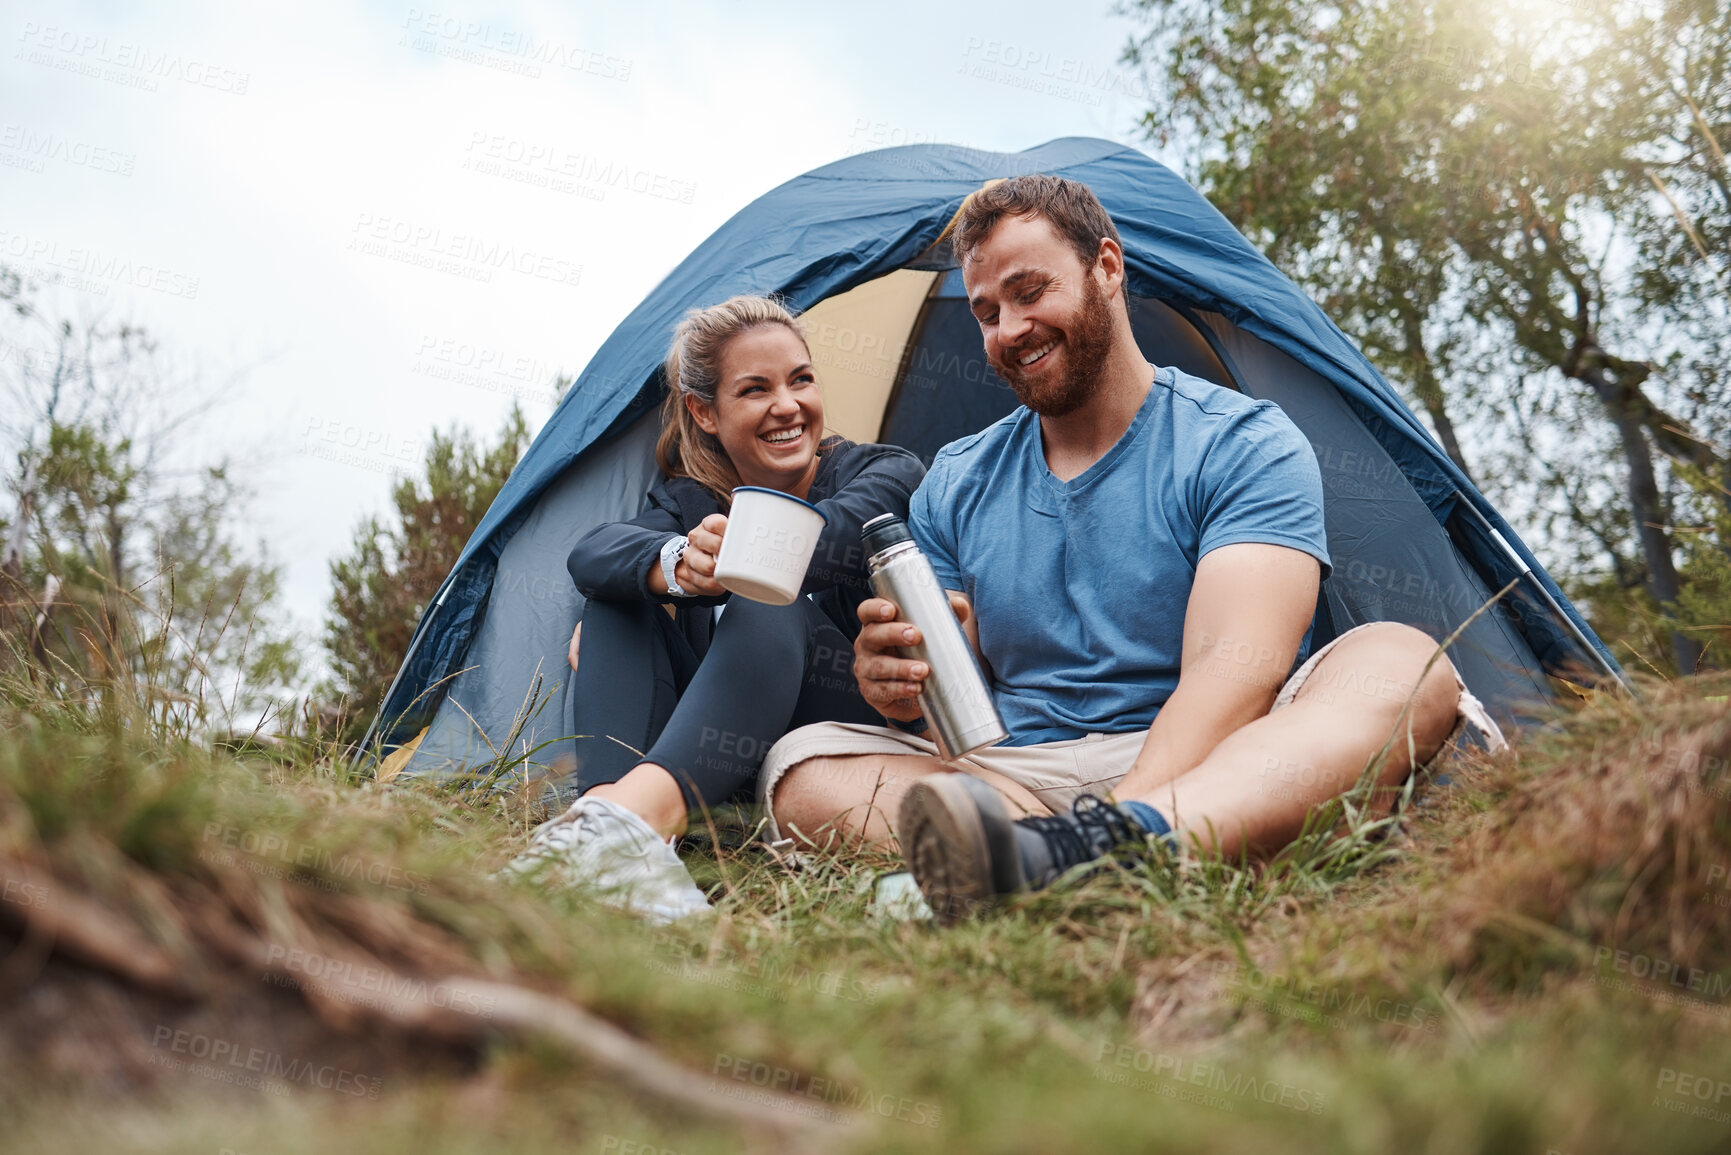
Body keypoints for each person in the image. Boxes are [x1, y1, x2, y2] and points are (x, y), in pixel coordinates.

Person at [756, 175, 1506, 923]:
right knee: (803, 769)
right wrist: (899, 687)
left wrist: (1122, 810)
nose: (1007, 329)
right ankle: (1093, 858)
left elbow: (1234, 675)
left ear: (1107, 269)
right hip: (1019, 774)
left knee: (1400, 665)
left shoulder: (1241, 441)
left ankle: (1090, 851)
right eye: (985, 313)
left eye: (1028, 291)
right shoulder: (957, 476)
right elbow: (959, 699)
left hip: (1217, 753)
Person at [504, 296, 925, 921]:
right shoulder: (689, 499)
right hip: (730, 739)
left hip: (848, 729)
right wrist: (676, 563)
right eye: (755, 390)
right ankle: (612, 841)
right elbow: (594, 554)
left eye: (800, 380)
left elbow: (823, 539)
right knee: (618, 600)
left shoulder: (882, 470)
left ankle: (626, 823)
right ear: (705, 412)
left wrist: (724, 563)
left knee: (762, 580)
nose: (787, 405)